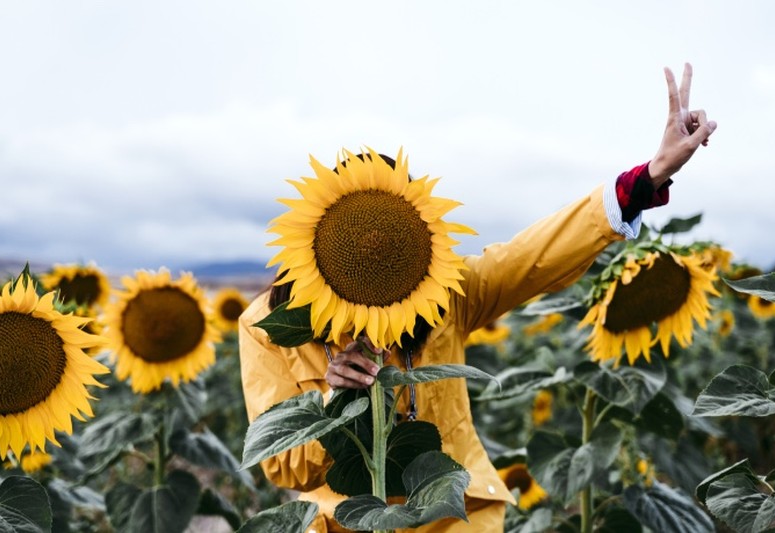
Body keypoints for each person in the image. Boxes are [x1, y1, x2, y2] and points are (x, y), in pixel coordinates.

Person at [238, 63, 717, 532]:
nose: (375, 247)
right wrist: (331, 402)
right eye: (360, 238)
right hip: (343, 523)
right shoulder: (270, 326)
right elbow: (283, 467)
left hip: (455, 515)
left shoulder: (447, 294)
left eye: (391, 237)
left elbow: (534, 256)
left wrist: (647, 177)